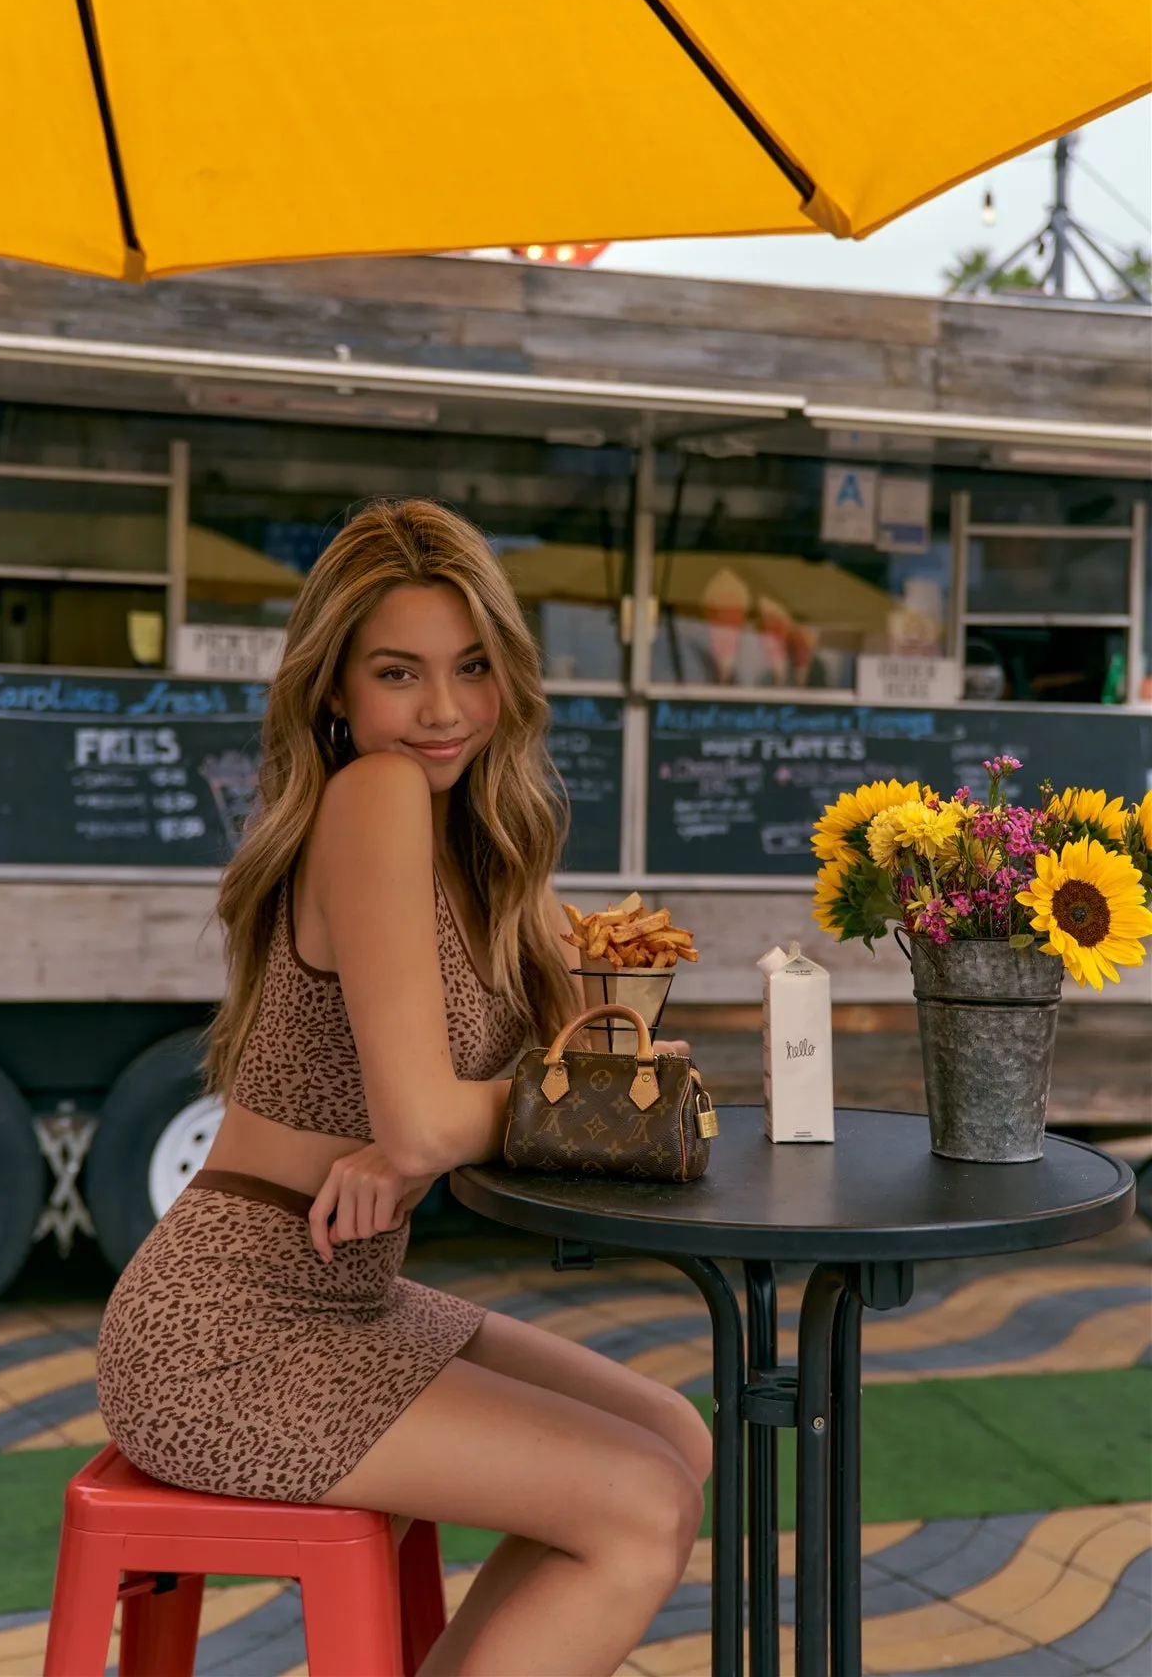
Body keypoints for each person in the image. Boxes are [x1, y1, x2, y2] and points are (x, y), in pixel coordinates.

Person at [95, 498, 712, 1677]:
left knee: (674, 1440)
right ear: (336, 690)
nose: (442, 709)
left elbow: (556, 1072)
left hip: (351, 1298)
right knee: (639, 1502)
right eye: (399, 673)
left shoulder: (477, 841)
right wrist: (436, 1128)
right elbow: (465, 1111)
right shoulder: (371, 795)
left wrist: (434, 1130)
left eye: (473, 667)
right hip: (229, 1328)